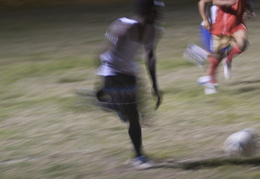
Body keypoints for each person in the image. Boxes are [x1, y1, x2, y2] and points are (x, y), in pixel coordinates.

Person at [94, 0, 165, 169]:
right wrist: (101, 80)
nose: (160, 15)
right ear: (145, 11)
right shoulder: (123, 27)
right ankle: (105, 98)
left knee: (132, 116)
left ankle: (139, 156)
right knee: (130, 113)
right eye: (156, 11)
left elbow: (150, 57)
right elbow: (105, 53)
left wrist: (155, 86)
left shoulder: (153, 30)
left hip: (129, 72)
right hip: (111, 72)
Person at [197, 0, 251, 95]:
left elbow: (245, 2)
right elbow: (204, 2)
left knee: (242, 44)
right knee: (215, 56)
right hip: (215, 27)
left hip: (235, 25)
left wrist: (250, 10)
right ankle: (210, 81)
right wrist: (205, 20)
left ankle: (225, 60)